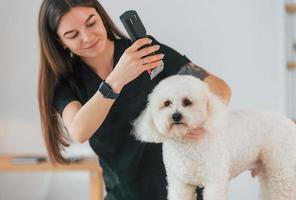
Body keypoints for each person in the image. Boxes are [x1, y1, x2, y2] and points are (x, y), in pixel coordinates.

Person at [37, 0, 232, 199]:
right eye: (73, 34)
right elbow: (79, 130)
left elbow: (220, 88)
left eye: (91, 23)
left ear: (100, 16)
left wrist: (201, 123)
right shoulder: (65, 82)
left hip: (182, 191)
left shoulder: (145, 52)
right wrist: (116, 79)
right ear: (60, 40)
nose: (87, 37)